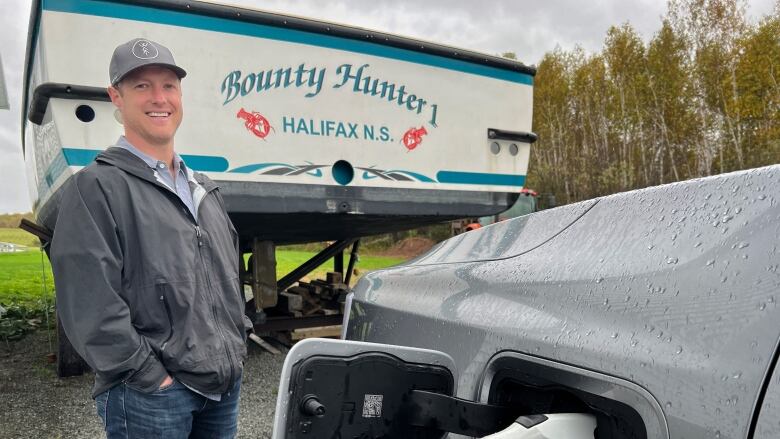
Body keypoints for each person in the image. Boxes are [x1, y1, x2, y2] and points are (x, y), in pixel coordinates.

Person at [50, 38, 251, 438]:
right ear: (116, 98)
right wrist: (145, 373)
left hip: (221, 386)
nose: (159, 98)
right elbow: (88, 300)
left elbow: (227, 276)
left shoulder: (205, 190)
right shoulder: (95, 188)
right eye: (141, 86)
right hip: (150, 394)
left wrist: (238, 339)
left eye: (169, 85)